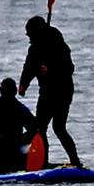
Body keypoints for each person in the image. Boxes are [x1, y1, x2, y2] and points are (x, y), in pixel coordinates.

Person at [19, 15, 80, 167]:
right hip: (46, 91)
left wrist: (51, 70)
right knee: (40, 129)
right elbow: (29, 68)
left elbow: (69, 68)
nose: (27, 35)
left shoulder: (57, 45)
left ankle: (75, 161)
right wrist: (23, 85)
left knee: (58, 128)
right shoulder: (35, 49)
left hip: (62, 91)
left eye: (29, 32)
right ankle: (43, 162)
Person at [0, 77, 38, 173]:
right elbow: (34, 128)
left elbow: (33, 127)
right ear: (15, 91)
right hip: (0, 148)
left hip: (10, 147)